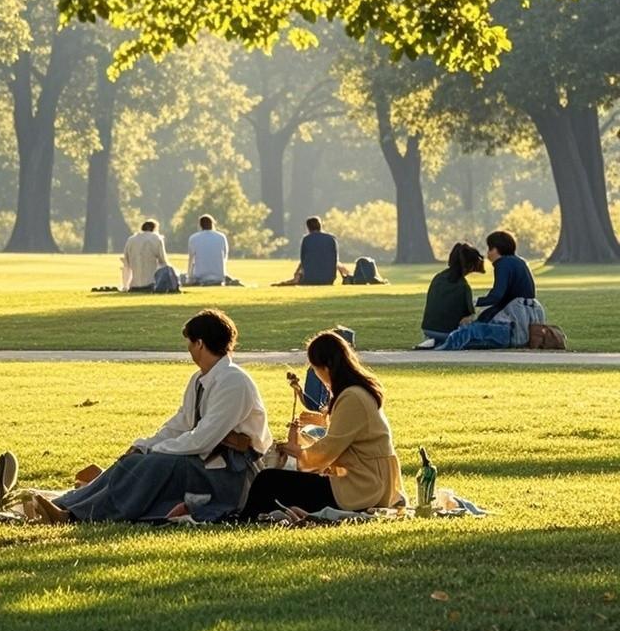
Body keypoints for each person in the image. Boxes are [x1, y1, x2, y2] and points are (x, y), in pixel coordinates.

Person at [28, 309, 271, 524]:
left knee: (150, 465)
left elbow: (204, 438)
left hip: (227, 473)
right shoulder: (200, 379)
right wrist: (145, 445)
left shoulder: (234, 382)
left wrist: (157, 451)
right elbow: (181, 424)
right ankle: (66, 504)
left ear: (199, 343)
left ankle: (74, 515)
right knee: (133, 460)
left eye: (189, 343)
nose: (188, 350)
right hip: (203, 461)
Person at [240, 330, 403, 520]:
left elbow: (329, 449)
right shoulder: (356, 392)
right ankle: (259, 516)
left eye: (315, 369)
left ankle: (244, 520)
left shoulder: (352, 397)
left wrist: (297, 451)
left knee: (268, 480)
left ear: (325, 368)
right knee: (276, 483)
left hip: (362, 487)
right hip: (368, 481)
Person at [416, 242, 485, 348]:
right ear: (470, 266)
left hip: (428, 329)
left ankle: (434, 341)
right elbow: (468, 316)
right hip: (447, 332)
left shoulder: (438, 278)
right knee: (477, 327)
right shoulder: (463, 286)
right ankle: (446, 342)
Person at [475, 230, 535, 322]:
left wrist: (474, 302)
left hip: (516, 312)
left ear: (495, 249)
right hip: (529, 310)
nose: (488, 254)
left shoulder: (502, 264)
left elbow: (496, 296)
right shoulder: (519, 261)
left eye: (489, 249)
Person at [272, 215, 339, 286]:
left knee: (298, 279)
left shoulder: (306, 239)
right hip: (328, 279)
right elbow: (335, 259)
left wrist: (297, 273)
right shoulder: (331, 239)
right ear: (320, 226)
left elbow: (303, 261)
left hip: (310, 279)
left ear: (308, 228)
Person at [122, 219, 168, 291]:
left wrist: (125, 286)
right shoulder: (157, 238)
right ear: (154, 229)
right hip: (151, 285)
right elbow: (163, 262)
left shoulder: (130, 240)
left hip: (134, 286)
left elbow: (126, 265)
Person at [186, 214, 228, 286]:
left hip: (200, 277)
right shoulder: (221, 237)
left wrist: (189, 278)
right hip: (219, 277)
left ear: (200, 225)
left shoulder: (193, 238)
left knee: (181, 276)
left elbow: (191, 260)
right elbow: (224, 257)